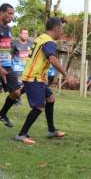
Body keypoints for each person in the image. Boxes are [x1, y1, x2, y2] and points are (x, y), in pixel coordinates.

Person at [15, 17, 76, 145]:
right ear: (56, 28)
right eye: (62, 29)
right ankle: (21, 134)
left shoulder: (41, 38)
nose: (62, 32)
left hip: (36, 77)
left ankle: (51, 130)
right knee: (38, 107)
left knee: (51, 99)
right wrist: (66, 75)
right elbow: (53, 60)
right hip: (34, 77)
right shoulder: (48, 42)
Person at [11, 28, 33, 105]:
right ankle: (17, 100)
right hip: (17, 67)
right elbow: (10, 55)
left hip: (27, 68)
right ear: (20, 34)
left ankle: (15, 97)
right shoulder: (14, 43)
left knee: (27, 85)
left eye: (27, 33)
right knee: (19, 84)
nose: (25, 35)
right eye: (23, 33)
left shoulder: (31, 44)